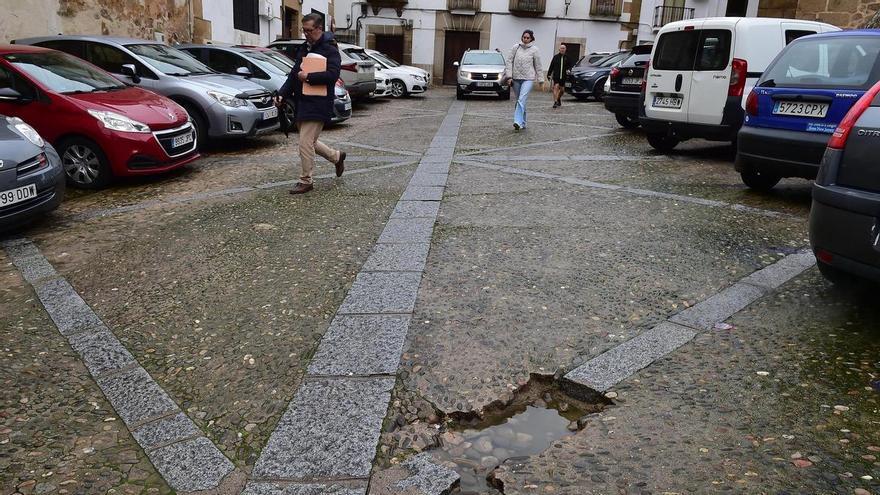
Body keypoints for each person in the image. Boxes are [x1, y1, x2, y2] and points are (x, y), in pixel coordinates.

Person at [275, 13, 346, 195]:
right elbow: (293, 75)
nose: (306, 34)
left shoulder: (330, 49)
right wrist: (282, 94)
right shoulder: (304, 48)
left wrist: (309, 77)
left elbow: (333, 75)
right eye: (304, 30)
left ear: (319, 29)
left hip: (319, 102)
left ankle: (306, 180)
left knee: (305, 142)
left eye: (309, 30)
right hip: (302, 101)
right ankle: (336, 157)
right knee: (310, 141)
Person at [503, 29, 544, 131]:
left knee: (522, 99)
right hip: (516, 78)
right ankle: (523, 123)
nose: (525, 39)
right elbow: (509, 62)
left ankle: (517, 121)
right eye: (524, 37)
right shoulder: (515, 48)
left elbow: (538, 65)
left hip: (528, 79)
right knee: (520, 101)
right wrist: (509, 76)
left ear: (531, 39)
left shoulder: (535, 50)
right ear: (522, 37)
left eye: (528, 38)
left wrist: (541, 80)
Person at [547, 44, 572, 109]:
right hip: (556, 76)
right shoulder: (555, 57)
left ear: (565, 49)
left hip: (563, 76)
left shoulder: (568, 57)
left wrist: (569, 70)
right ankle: (555, 102)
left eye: (563, 48)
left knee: (562, 90)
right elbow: (551, 66)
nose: (562, 49)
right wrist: (549, 74)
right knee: (556, 87)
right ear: (559, 49)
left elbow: (570, 66)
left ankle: (558, 98)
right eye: (561, 48)